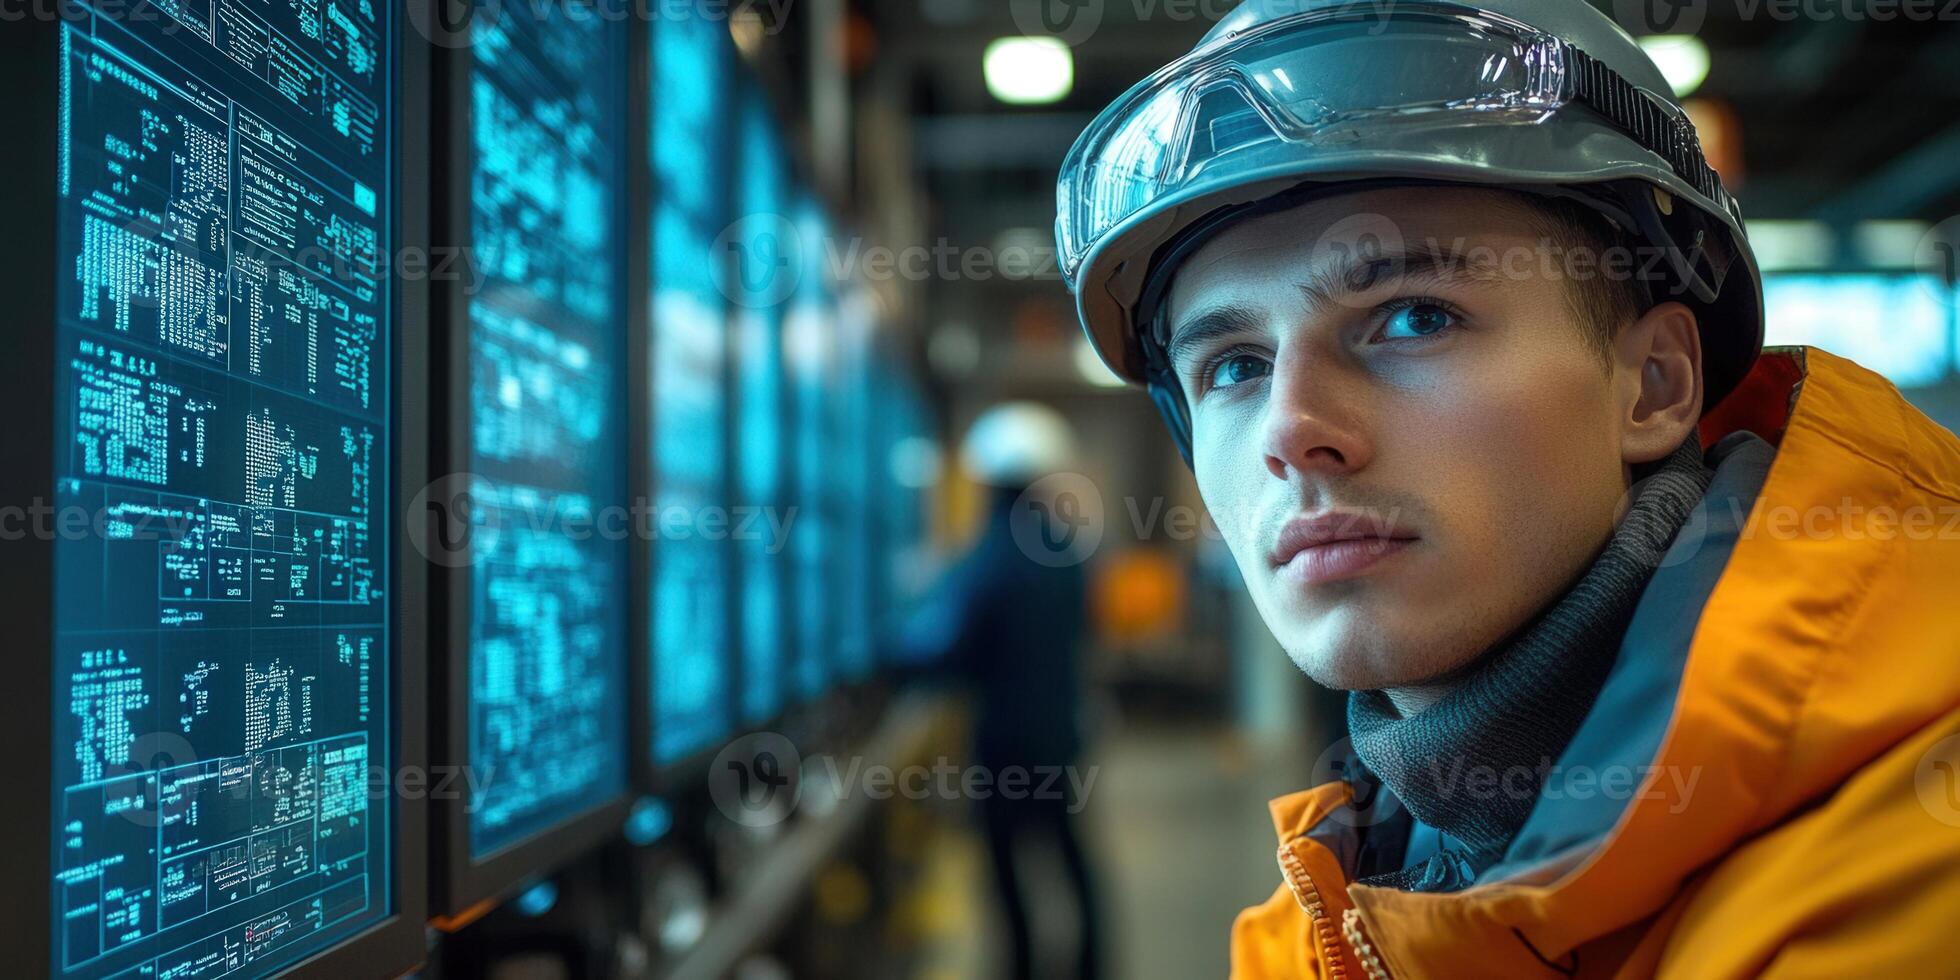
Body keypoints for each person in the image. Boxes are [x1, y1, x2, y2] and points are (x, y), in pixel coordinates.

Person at [1055, 1, 1960, 976]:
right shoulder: (1320, 926)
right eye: (1234, 366)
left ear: (1654, 385)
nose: (1288, 431)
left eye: (1414, 317)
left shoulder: (1908, 870)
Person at [899, 402, 1103, 980]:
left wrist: (894, 658)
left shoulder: (993, 552)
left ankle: (1021, 968)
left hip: (1006, 747)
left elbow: (953, 652)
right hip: (1059, 737)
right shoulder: (1062, 549)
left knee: (1008, 873)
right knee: (1071, 862)